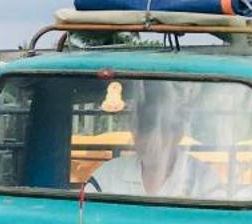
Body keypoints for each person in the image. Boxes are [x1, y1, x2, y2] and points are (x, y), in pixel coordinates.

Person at [84, 82, 229, 200]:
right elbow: (84, 219)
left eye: (162, 131)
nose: (152, 141)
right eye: (145, 130)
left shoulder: (204, 178)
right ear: (134, 133)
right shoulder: (108, 175)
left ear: (177, 134)